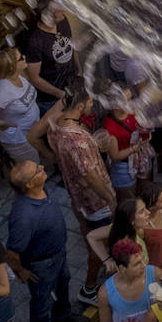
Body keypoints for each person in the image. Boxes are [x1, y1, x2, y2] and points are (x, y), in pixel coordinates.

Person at [6, 159, 89, 322]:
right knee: (41, 305)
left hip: (58, 254)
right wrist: (21, 271)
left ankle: (62, 316)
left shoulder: (41, 191)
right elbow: (12, 252)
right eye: (37, 170)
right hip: (41, 265)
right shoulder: (24, 216)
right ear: (29, 184)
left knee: (64, 283)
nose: (43, 168)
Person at [43, 79, 115, 299]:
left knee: (93, 237)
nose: (92, 102)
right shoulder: (76, 140)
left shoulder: (58, 124)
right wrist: (110, 199)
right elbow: (90, 176)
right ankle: (90, 288)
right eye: (90, 99)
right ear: (82, 104)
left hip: (79, 197)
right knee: (98, 245)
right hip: (96, 201)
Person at [0, 47, 42, 163]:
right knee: (34, 169)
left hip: (32, 132)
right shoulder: (3, 89)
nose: (25, 58)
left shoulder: (20, 76)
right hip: (18, 140)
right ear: (12, 65)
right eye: (21, 58)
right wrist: (5, 124)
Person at [101, 238, 157, 322]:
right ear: (121, 268)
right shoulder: (106, 292)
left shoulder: (155, 275)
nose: (144, 265)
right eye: (137, 263)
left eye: (142, 259)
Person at [22, 1, 78, 115]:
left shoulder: (63, 21)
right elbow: (34, 78)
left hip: (73, 86)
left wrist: (79, 70)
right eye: (58, 10)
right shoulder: (35, 41)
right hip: (52, 100)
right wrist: (59, 94)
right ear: (47, 16)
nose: (63, 10)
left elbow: (72, 45)